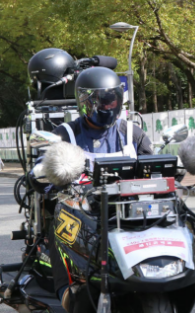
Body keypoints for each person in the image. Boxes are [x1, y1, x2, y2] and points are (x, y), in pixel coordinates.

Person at [50, 67, 154, 312]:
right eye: (101, 100)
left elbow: (153, 166)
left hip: (128, 210)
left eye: (112, 99)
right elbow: (46, 173)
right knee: (60, 220)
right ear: (85, 101)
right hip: (80, 210)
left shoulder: (132, 132)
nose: (107, 106)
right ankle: (68, 292)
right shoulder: (66, 134)